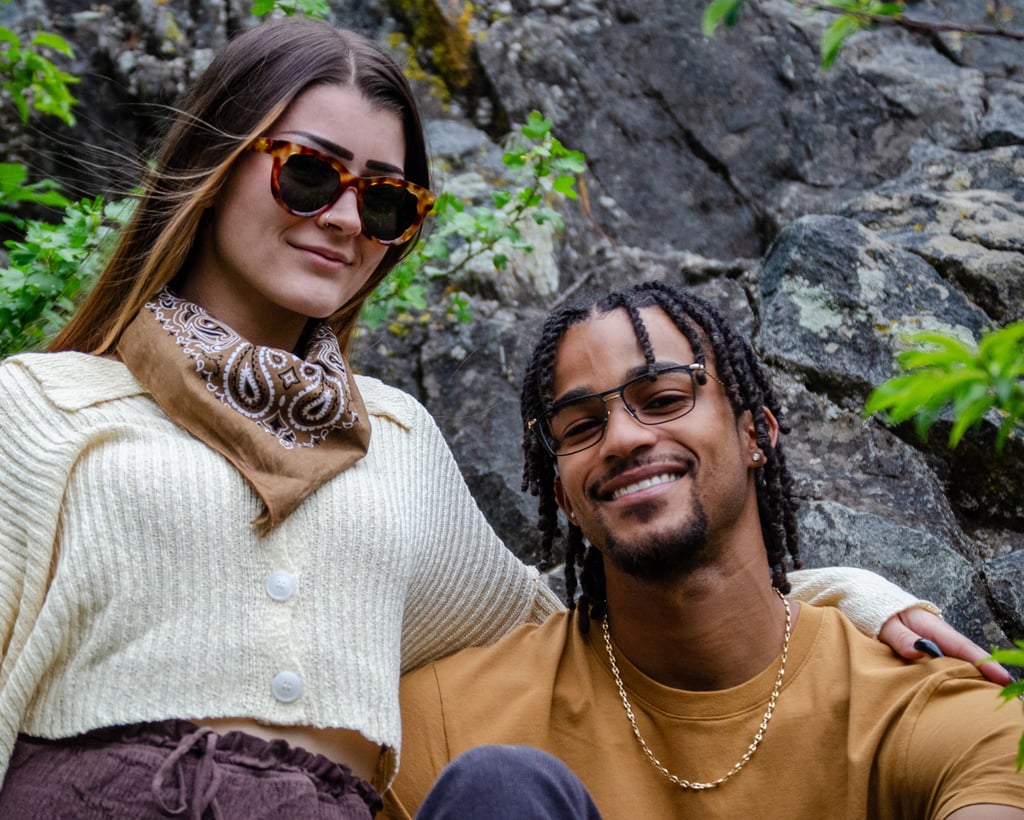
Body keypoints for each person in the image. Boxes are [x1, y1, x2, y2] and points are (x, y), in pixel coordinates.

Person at [0, 15, 998, 819]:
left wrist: (850, 596)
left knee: (505, 789)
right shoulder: (43, 408)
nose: (347, 220)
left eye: (386, 202)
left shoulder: (393, 443)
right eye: (309, 172)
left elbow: (585, 612)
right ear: (217, 166)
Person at [384, 281, 1024, 819]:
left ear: (757, 433)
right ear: (563, 497)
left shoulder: (911, 705)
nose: (623, 439)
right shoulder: (451, 717)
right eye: (581, 426)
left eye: (664, 398)